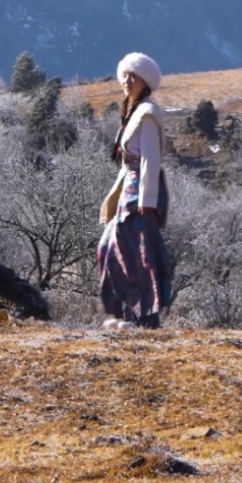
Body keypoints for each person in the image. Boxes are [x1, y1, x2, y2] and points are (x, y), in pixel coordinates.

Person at [97, 52, 173, 328]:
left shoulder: (148, 114)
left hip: (139, 193)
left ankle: (141, 316)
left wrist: (147, 200)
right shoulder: (133, 112)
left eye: (134, 77)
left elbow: (151, 160)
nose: (127, 81)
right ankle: (122, 313)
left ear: (145, 82)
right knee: (111, 249)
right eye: (125, 76)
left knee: (137, 254)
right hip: (129, 189)